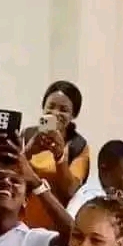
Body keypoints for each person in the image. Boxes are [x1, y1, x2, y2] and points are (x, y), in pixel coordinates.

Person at [23, 80, 89, 225]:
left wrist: (60, 158)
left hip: (55, 226)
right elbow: (10, 173)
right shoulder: (27, 135)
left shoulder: (78, 145)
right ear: (43, 107)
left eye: (64, 109)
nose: (55, 113)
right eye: (51, 107)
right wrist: (29, 151)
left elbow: (71, 191)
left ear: (73, 115)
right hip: (21, 223)